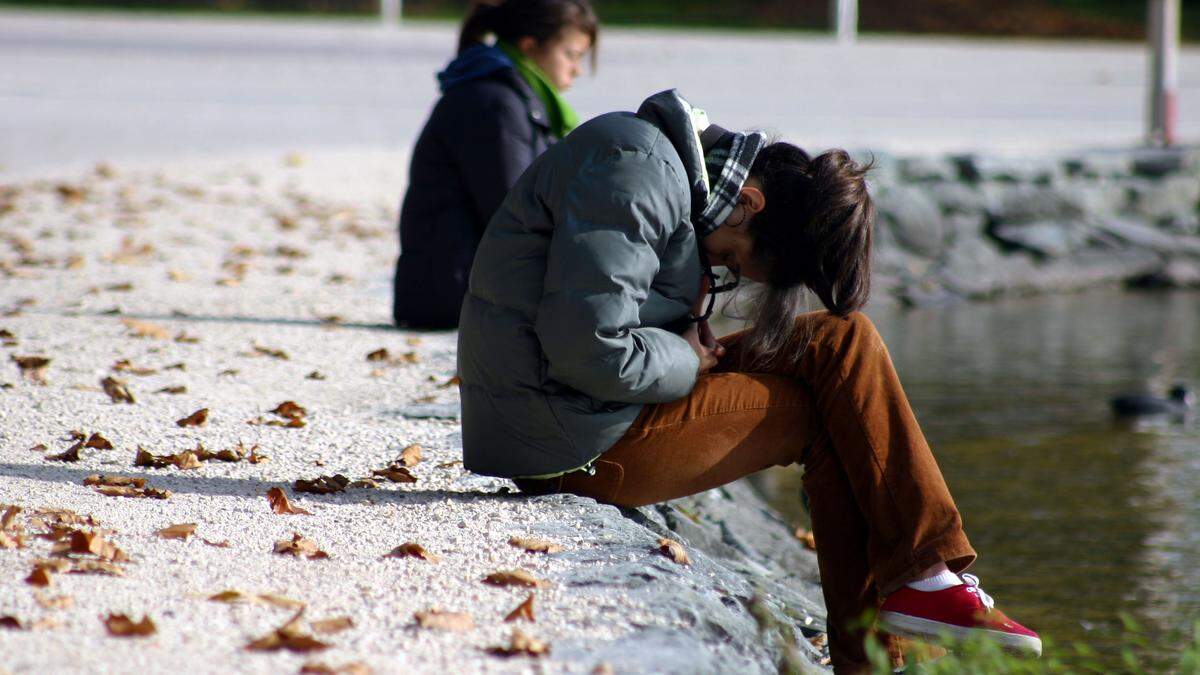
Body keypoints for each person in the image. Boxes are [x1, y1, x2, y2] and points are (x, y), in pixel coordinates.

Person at [456, 89, 1042, 672]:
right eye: (736, 263)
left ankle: (923, 580)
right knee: (824, 414)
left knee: (842, 341)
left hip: (574, 408)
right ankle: (903, 612)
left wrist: (685, 339)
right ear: (750, 203)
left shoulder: (660, 169)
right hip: (568, 437)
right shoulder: (637, 173)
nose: (726, 269)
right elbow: (587, 349)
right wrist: (686, 354)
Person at [392, 0, 597, 329]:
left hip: (463, 286)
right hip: (451, 294)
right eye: (571, 55)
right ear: (529, 47)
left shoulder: (518, 101)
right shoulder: (493, 104)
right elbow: (515, 214)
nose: (577, 70)